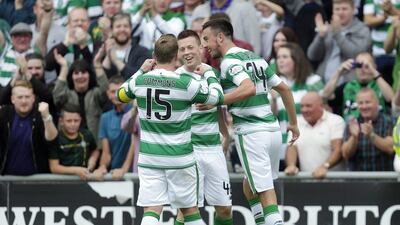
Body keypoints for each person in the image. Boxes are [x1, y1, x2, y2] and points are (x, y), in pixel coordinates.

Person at [117, 34, 224, 225]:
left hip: (150, 158)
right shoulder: (185, 83)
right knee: (190, 212)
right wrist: (209, 73)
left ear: (154, 56)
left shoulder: (140, 81)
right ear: (177, 56)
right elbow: (216, 97)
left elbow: (121, 94)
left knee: (151, 210)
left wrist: (140, 71)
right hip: (180, 158)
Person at [201, 19, 299, 225]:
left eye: (206, 39)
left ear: (220, 37)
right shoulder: (257, 58)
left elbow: (248, 88)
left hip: (251, 132)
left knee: (265, 191)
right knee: (251, 180)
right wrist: (293, 123)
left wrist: (216, 100)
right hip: (271, 132)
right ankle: (260, 221)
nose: (205, 45)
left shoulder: (228, 62)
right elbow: (284, 89)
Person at [175, 29, 232, 225]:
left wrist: (226, 134)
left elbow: (217, 107)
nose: (186, 52)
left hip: (213, 149)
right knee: (186, 211)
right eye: (182, 49)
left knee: (225, 210)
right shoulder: (175, 79)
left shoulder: (212, 73)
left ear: (201, 48)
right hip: (189, 152)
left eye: (190, 47)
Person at [272, 42, 324, 170]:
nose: (280, 61)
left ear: (296, 59)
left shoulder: (313, 81)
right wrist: (273, 99)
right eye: (278, 57)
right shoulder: (274, 84)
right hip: (283, 146)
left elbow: (324, 103)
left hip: (308, 145)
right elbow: (272, 115)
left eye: (285, 57)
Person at [52, 46, 109, 148]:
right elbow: (57, 96)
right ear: (71, 76)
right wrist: (64, 67)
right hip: (70, 146)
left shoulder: (95, 93)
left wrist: (96, 63)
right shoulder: (67, 94)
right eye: (76, 73)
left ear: (89, 75)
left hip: (95, 146)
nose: (80, 76)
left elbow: (106, 91)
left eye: (84, 72)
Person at [0, 80, 58, 175]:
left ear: (33, 98)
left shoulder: (40, 114)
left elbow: (52, 140)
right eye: (20, 97)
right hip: (6, 179)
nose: (24, 101)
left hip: (36, 179)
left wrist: (47, 118)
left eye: (27, 97)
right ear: (12, 99)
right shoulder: (4, 113)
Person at [307, 0, 371, 84]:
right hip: (323, 82)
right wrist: (320, 36)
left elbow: (356, 55)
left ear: (353, 10)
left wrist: (337, 34)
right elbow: (312, 56)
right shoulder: (328, 28)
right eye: (337, 9)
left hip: (348, 84)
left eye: (344, 9)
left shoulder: (362, 29)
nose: (340, 13)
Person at [285, 92, 345, 179]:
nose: (304, 110)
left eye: (308, 106)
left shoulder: (336, 121)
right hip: (307, 182)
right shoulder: (296, 123)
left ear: (321, 106)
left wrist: (325, 166)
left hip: (334, 181)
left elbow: (337, 149)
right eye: (302, 106)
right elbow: (291, 147)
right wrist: (291, 165)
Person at [323, 52, 394, 119]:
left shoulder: (381, 85)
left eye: (367, 66)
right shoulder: (347, 87)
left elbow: (392, 101)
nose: (362, 69)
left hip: (378, 127)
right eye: (359, 66)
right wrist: (339, 72)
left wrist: (374, 72)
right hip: (351, 128)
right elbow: (325, 96)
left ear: (374, 67)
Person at [92, 75, 135, 180]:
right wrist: (102, 167)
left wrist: (124, 169)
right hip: (115, 174)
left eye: (120, 91)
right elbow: (106, 152)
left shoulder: (136, 112)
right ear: (108, 94)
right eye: (113, 91)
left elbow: (135, 143)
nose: (116, 95)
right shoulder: (105, 118)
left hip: (135, 174)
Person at [342, 88, 395, 171]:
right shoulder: (352, 123)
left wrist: (371, 136)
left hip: (384, 179)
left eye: (367, 102)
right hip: (357, 180)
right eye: (360, 103)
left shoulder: (389, 121)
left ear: (377, 103)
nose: (364, 106)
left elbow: (391, 148)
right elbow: (345, 154)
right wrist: (354, 137)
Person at [49, 103, 99, 180]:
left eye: (76, 121)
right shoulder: (56, 138)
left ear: (81, 120)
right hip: (63, 180)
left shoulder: (87, 134)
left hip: (85, 178)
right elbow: (54, 167)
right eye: (69, 121)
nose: (73, 124)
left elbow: (95, 150)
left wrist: (92, 161)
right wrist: (76, 170)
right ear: (61, 121)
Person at [192, 0, 262, 54]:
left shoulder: (245, 8)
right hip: (208, 63)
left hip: (240, 61)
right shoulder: (199, 10)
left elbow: (254, 42)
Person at [102, 12, 151, 79]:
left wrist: (116, 60)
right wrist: (108, 55)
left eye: (126, 26)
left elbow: (139, 77)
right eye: (118, 26)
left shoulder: (142, 52)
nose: (122, 29)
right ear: (112, 30)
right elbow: (102, 78)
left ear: (131, 29)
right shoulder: (103, 50)